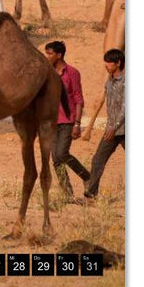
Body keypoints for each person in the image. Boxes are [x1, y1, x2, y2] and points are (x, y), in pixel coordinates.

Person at [44, 41, 90, 197]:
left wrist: (77, 123)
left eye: (49, 53)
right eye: (46, 53)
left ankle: (87, 176)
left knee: (62, 154)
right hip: (51, 122)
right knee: (55, 159)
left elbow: (78, 99)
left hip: (68, 121)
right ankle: (67, 193)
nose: (47, 56)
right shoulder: (47, 73)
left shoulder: (72, 73)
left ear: (59, 55)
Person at [84, 49, 125, 200]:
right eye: (105, 62)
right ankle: (90, 195)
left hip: (123, 129)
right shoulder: (109, 81)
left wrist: (114, 126)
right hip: (111, 131)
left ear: (118, 63)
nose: (106, 65)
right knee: (98, 159)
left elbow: (125, 107)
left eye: (109, 63)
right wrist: (111, 126)